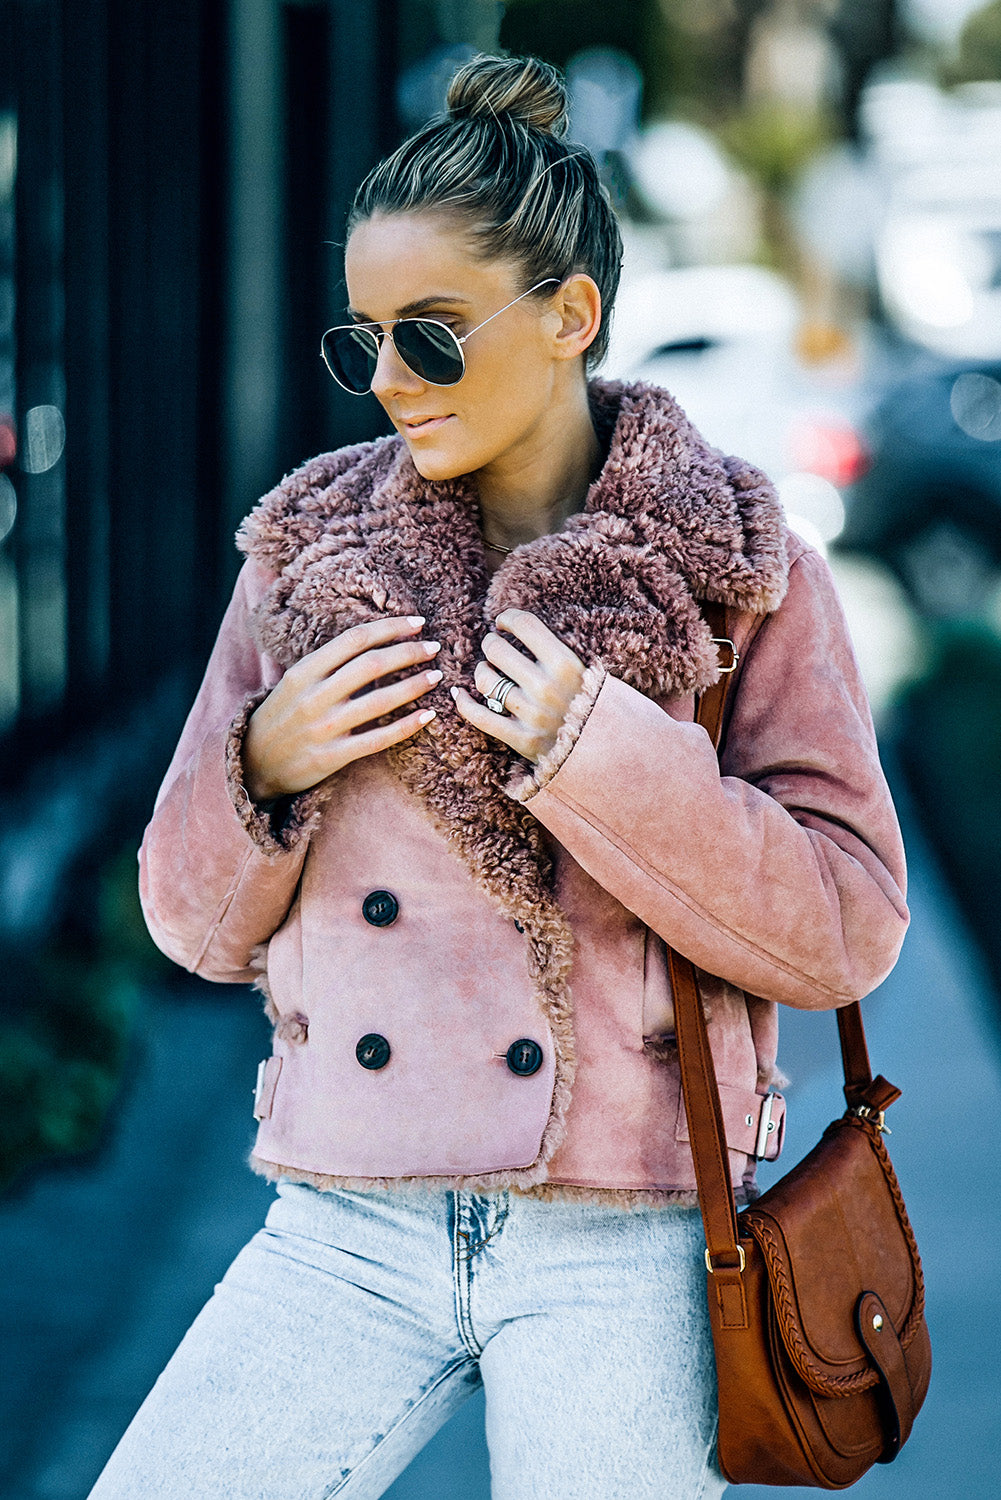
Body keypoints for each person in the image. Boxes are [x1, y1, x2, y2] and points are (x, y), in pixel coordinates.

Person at [88, 53, 909, 1500]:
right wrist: (263, 766)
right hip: (345, 1221)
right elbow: (186, 925)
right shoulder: (307, 562)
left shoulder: (735, 573)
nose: (392, 383)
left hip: (631, 1230)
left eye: (433, 336)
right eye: (365, 344)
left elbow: (846, 929)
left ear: (566, 318)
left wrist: (604, 760)